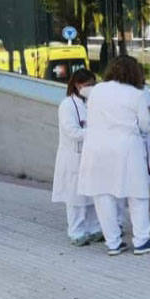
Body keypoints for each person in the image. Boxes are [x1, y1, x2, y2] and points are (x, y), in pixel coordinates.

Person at [77, 56, 150, 255]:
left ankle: (113, 243)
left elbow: (85, 97)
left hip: (96, 149)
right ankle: (141, 240)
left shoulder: (96, 91)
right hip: (126, 149)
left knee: (103, 194)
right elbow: (145, 125)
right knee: (136, 194)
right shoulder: (136, 95)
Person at [52, 69, 101, 246]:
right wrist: (94, 133)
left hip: (91, 155)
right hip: (73, 156)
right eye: (87, 85)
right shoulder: (67, 105)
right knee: (75, 198)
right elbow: (72, 131)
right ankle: (76, 232)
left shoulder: (91, 103)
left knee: (92, 194)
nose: (90, 88)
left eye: (93, 84)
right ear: (76, 85)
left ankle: (94, 228)